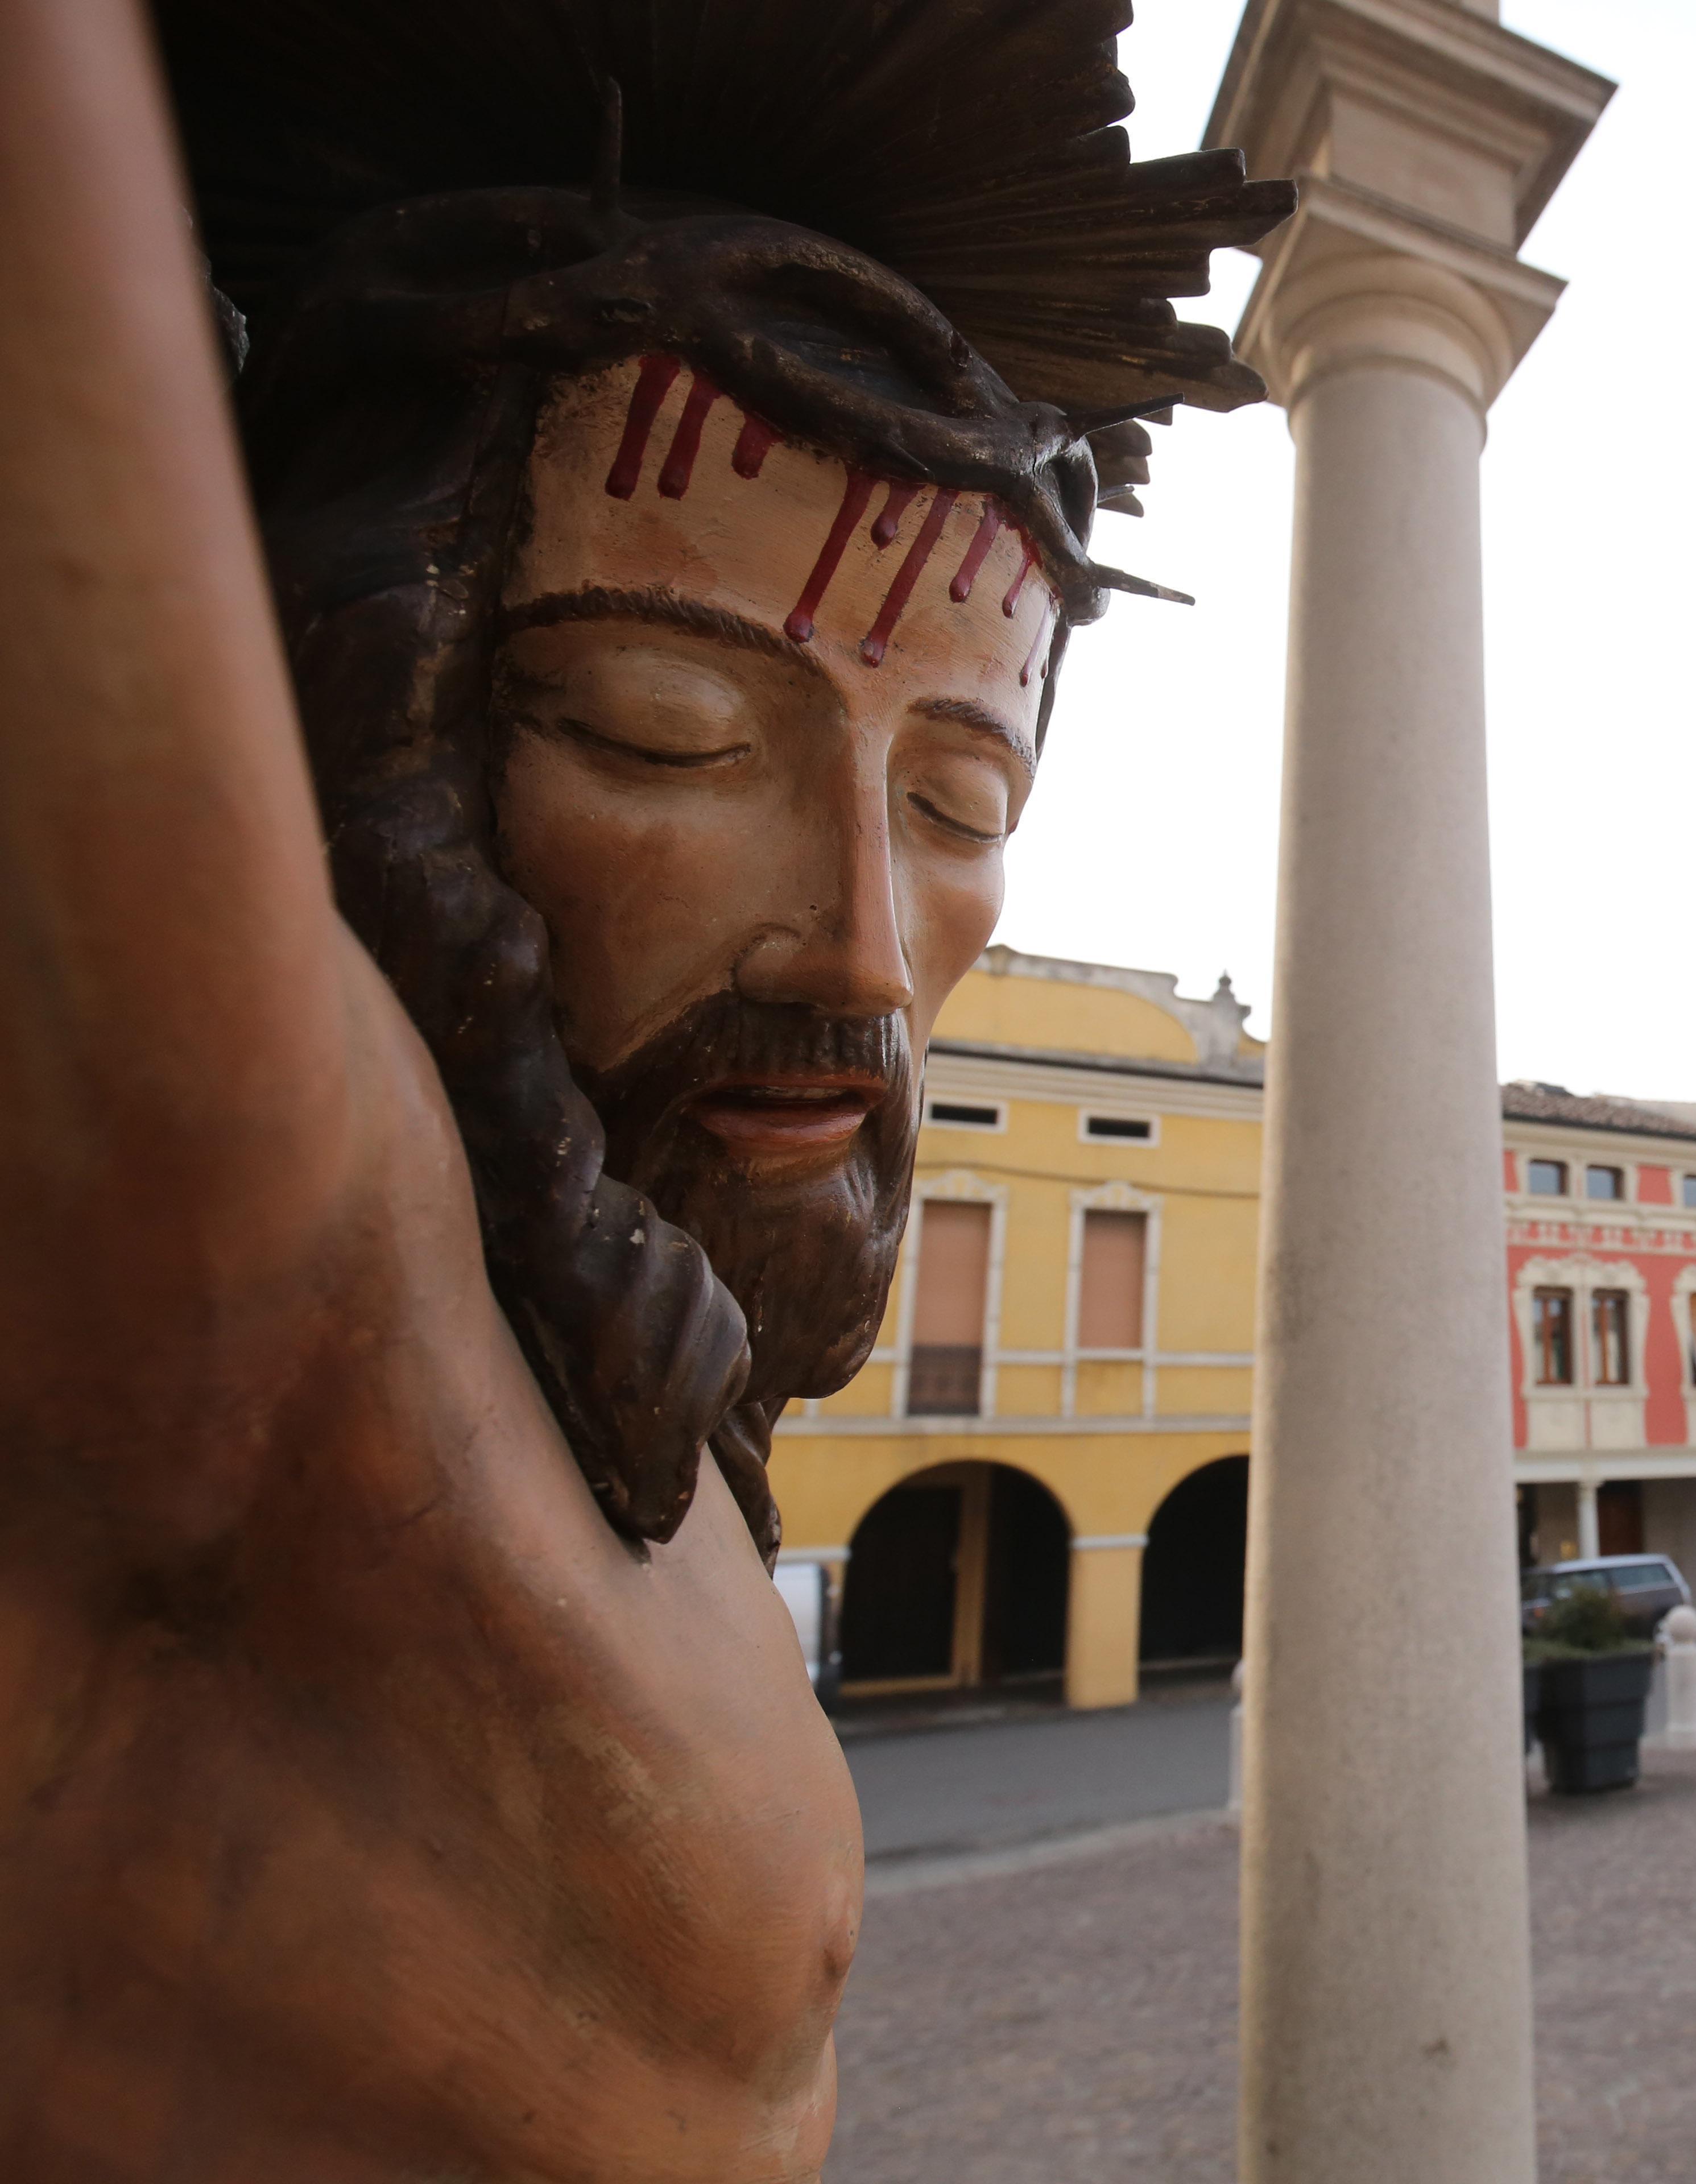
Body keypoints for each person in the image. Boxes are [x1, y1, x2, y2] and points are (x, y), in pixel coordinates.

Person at [0, 2, 1287, 2170]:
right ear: (371, 706)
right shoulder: (293, 1269)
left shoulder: (602, 1392)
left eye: (962, 796)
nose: (867, 951)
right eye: (666, 735)